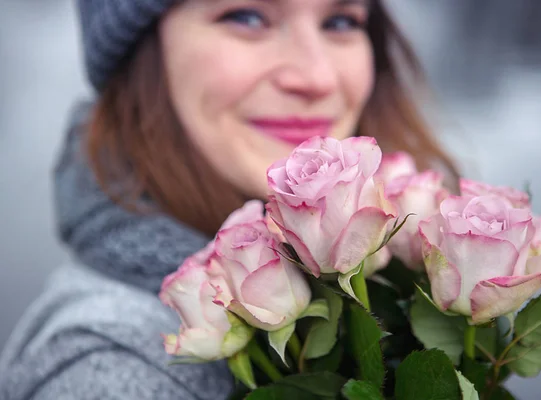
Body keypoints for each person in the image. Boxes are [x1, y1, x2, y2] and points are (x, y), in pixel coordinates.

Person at [0, 0, 458, 399]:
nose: (316, 76)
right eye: (246, 15)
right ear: (143, 53)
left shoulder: (406, 272)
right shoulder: (109, 373)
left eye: (340, 22)